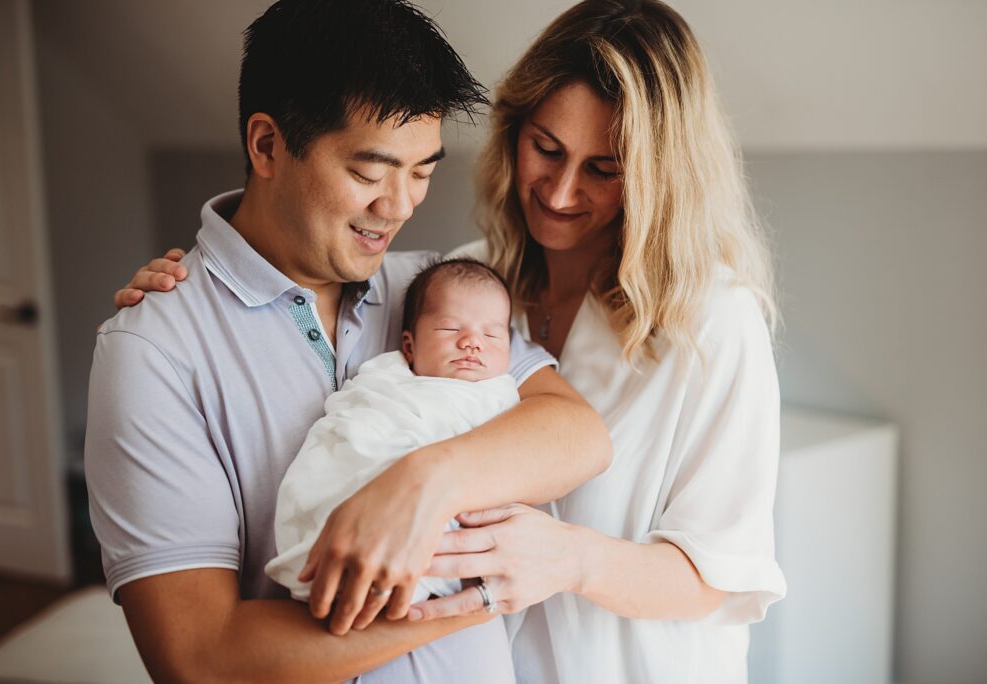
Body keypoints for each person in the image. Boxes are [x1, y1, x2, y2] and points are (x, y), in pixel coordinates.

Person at [119, 0, 787, 682]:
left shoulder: (712, 321)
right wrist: (188, 303)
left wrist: (447, 495)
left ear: (657, 175)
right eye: (546, 150)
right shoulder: (469, 285)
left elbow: (720, 571)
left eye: (604, 169)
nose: (558, 192)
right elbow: (197, 652)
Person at [85, 1, 611, 683]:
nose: (399, 205)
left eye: (422, 171)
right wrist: (480, 599)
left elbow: (575, 432)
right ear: (267, 145)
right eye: (369, 173)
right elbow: (201, 657)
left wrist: (424, 482)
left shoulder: (431, 290)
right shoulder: (153, 350)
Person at [267, 259, 519, 604]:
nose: (473, 342)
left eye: (491, 334)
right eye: (450, 329)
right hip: (366, 484)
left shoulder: (502, 396)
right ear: (410, 346)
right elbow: (350, 425)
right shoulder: (385, 379)